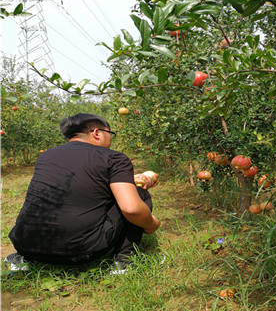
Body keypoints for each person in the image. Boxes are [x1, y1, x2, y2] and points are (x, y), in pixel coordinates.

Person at [5, 113, 161, 274]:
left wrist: (127, 180)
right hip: (79, 253)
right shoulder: (114, 158)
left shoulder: (46, 156)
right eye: (110, 133)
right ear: (97, 132)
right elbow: (131, 209)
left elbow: (84, 186)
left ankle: (22, 258)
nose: (111, 139)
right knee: (138, 194)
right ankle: (124, 262)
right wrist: (151, 224)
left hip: (26, 246)